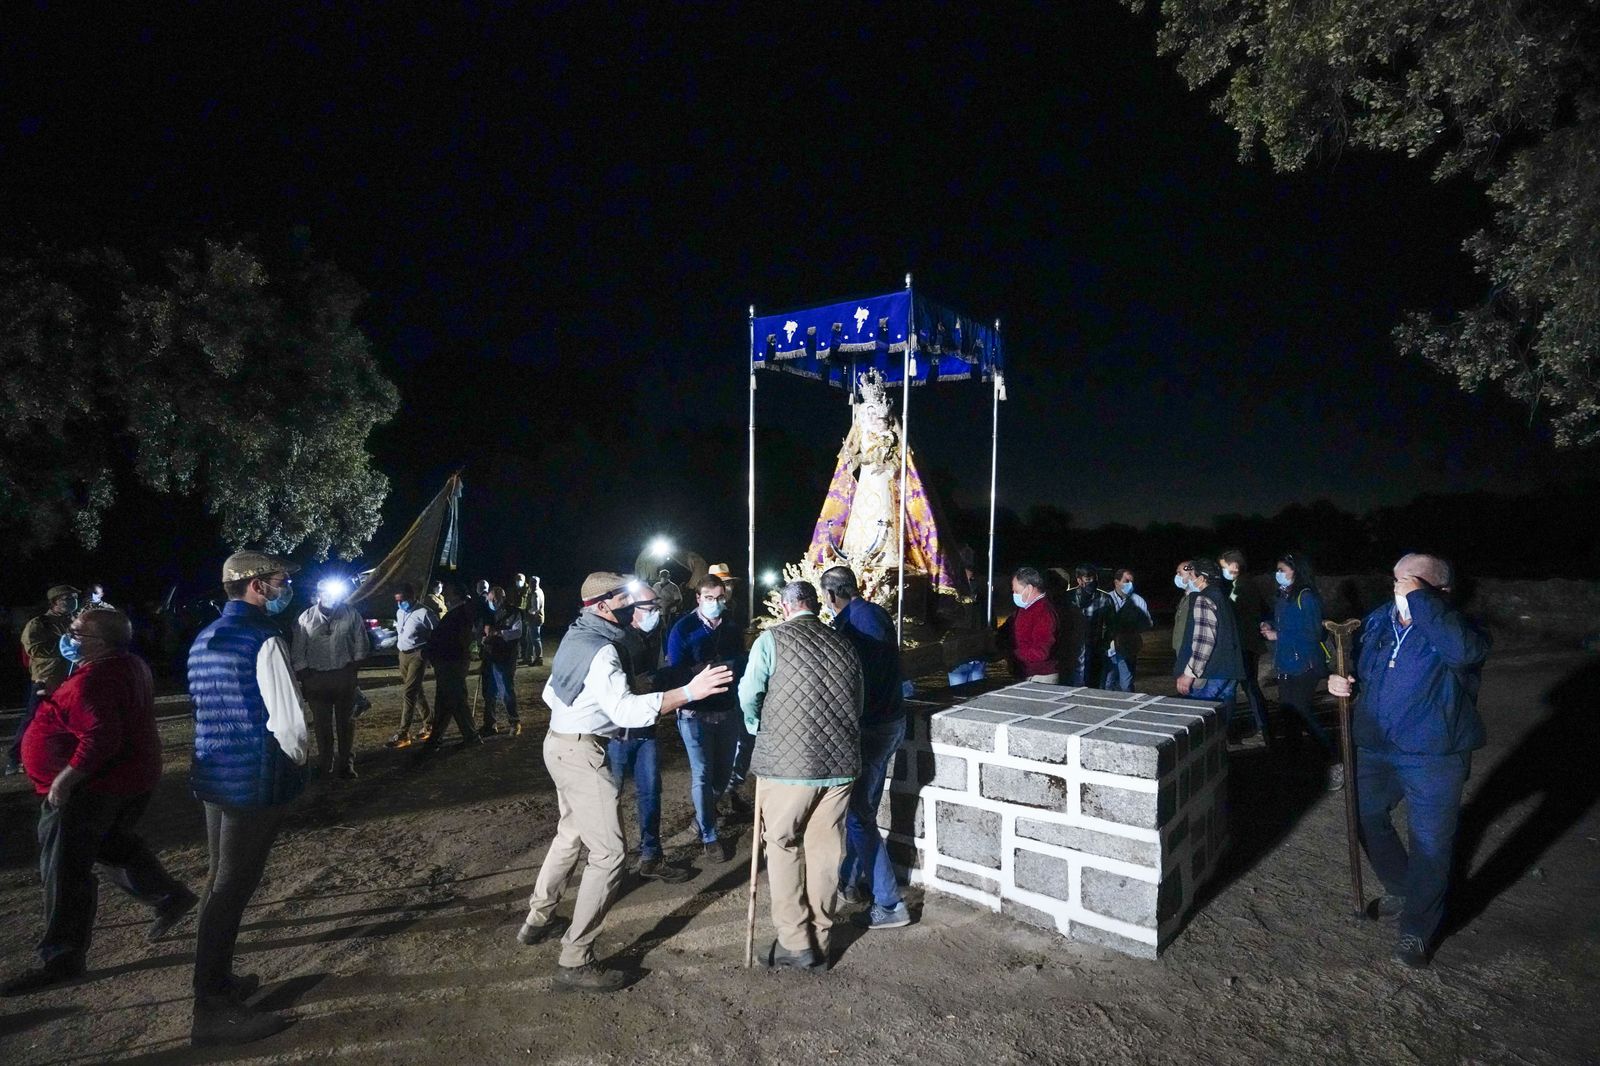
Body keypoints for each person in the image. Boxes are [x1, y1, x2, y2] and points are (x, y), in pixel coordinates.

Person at [518, 572, 732, 991]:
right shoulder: (603, 650)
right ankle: (575, 957)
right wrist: (690, 692)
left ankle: (538, 919)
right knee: (610, 854)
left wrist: (593, 708)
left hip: (559, 743)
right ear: (602, 605)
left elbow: (551, 694)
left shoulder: (577, 635)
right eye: (625, 599)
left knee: (570, 834)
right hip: (582, 754)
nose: (633, 606)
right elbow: (627, 713)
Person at [2, 607, 196, 997]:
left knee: (64, 868)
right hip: (127, 778)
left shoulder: (95, 680)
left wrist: (65, 779)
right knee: (110, 843)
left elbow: (101, 737)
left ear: (100, 642)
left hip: (93, 786)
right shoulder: (126, 665)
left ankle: (62, 957)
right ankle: (168, 895)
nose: (69, 637)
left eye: (76, 633)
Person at [1328, 553, 1490, 968]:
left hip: (1434, 754)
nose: (1399, 589)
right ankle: (1402, 886)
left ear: (1441, 590)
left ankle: (1418, 928)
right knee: (1362, 815)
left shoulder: (1461, 627)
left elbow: (1465, 653)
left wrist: (1422, 602)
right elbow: (1356, 660)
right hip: (1376, 745)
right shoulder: (1380, 620)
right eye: (1397, 580)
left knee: (1430, 844)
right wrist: (1341, 679)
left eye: (1411, 582)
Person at [187, 551, 309, 1046]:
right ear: (257, 586)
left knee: (219, 882)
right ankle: (211, 1007)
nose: (284, 589)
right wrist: (298, 764)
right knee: (231, 889)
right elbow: (289, 722)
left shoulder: (205, 637)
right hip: (252, 780)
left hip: (214, 775)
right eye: (279, 581)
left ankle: (218, 984)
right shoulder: (263, 637)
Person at [738, 580, 862, 971]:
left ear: (785, 606)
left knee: (781, 841)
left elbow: (749, 693)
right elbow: (858, 700)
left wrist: (756, 724)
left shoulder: (771, 640)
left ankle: (795, 941)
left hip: (788, 765)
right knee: (825, 850)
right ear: (815, 604)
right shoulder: (843, 642)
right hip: (840, 762)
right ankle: (821, 941)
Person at [821, 565, 910, 930]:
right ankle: (849, 879)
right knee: (862, 810)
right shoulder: (873, 613)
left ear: (830, 595)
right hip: (889, 721)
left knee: (859, 816)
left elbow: (858, 682)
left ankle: (890, 904)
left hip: (872, 727)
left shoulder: (855, 626)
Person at [605, 586, 691, 883]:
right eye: (651, 607)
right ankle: (609, 865)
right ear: (633, 610)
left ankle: (651, 856)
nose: (657, 612)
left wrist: (662, 679)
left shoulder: (655, 634)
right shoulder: (615, 640)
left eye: (658, 606)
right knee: (608, 799)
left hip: (646, 729)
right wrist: (639, 684)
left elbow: (660, 673)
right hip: (616, 734)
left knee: (650, 793)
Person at [665, 573, 749, 860]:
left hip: (726, 710)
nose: (715, 603)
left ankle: (703, 815)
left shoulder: (732, 628)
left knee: (722, 774)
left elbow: (741, 660)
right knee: (702, 773)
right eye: (709, 598)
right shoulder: (683, 629)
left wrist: (733, 666)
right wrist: (702, 671)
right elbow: (675, 671)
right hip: (694, 713)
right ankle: (709, 835)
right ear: (698, 598)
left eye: (720, 598)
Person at [1260, 551, 1340, 788]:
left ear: (1296, 571)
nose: (1278, 574)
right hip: (1286, 663)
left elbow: (1313, 633)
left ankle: (1334, 758)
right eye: (1277, 570)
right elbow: (1287, 624)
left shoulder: (1306, 597)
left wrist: (1279, 635)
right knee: (1288, 715)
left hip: (1306, 664)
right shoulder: (1283, 596)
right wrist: (1269, 625)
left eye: (1282, 570)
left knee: (1301, 711)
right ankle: (1293, 764)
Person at [290, 577, 370, 779]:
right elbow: (298, 651)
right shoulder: (306, 618)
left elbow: (361, 643)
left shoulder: (351, 614)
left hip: (344, 676)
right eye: (326, 592)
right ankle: (325, 764)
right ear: (318, 594)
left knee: (346, 724)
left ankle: (346, 765)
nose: (331, 596)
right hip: (316, 679)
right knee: (321, 725)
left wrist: (353, 669)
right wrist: (306, 677)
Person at [6, 584, 79, 776]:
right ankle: (14, 758)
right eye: (67, 598)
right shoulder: (39, 624)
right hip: (47, 679)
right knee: (33, 718)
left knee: (71, 719)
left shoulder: (75, 620)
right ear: (54, 602)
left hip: (72, 680)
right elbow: (35, 649)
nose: (73, 601)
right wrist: (66, 644)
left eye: (74, 598)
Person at [1173, 557, 1246, 712]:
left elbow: (1204, 641)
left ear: (1201, 578)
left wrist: (1189, 674)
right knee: (1223, 717)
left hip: (1212, 672)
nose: (1189, 580)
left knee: (1203, 717)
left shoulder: (1203, 599)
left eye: (1191, 576)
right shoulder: (1221, 596)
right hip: (1228, 670)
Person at [419, 582, 480, 750]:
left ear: (457, 595)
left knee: (456, 700)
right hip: (449, 661)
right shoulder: (459, 613)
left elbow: (451, 640)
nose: (446, 594)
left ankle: (471, 736)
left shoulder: (459, 614)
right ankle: (436, 737)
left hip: (451, 662)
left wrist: (431, 649)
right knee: (444, 701)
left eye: (449, 592)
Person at [1220, 550, 1272, 743]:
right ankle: (1263, 726)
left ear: (1235, 565)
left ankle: (1263, 729)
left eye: (1224, 566)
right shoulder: (1240, 584)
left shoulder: (1243, 586)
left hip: (1245, 643)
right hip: (1247, 642)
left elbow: (1237, 613)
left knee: (1248, 687)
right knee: (1249, 686)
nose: (1223, 570)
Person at [387, 584, 434, 748]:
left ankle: (403, 733)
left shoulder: (424, 612)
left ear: (412, 597)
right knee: (416, 691)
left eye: (402, 600)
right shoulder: (400, 612)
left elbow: (438, 632)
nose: (399, 604)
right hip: (403, 654)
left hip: (417, 654)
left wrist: (427, 651)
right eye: (397, 601)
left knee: (409, 692)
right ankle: (429, 725)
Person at [479, 585, 524, 736]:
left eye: (495, 600)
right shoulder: (486, 613)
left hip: (506, 656)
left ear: (503, 598)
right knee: (488, 692)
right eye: (490, 600)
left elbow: (517, 632)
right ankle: (490, 724)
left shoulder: (514, 612)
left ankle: (514, 721)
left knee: (506, 690)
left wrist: (498, 633)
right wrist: (482, 639)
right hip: (489, 655)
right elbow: (479, 631)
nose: (493, 602)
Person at [1005, 566, 1060, 683]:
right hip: (1026, 672)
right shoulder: (1024, 607)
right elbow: (1009, 629)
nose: (1014, 594)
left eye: (1017, 591)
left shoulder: (1044, 612)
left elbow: (1041, 652)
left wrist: (1014, 653)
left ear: (1029, 588)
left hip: (1040, 676)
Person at [1103, 568, 1153, 692]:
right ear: (1116, 582)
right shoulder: (1106, 598)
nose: (1130, 584)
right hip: (1108, 650)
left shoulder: (1138, 601)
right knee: (1108, 683)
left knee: (1126, 685)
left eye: (1132, 582)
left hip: (1127, 649)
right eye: (1126, 581)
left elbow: (1148, 623)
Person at [1066, 564, 1114, 688]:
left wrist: (1104, 644)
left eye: (1094, 578)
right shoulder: (1068, 598)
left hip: (1094, 651)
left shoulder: (1105, 598)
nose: (1092, 582)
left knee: (1093, 686)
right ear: (1079, 580)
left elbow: (1112, 626)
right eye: (1088, 579)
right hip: (1071, 652)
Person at [1171, 560, 1197, 667]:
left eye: (1180, 573)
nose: (1177, 576)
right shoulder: (1186, 597)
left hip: (1190, 648)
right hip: (1182, 646)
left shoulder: (1197, 597)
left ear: (1191, 574)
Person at [525, 575, 546, 666]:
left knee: (535, 639)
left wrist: (527, 611)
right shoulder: (540, 591)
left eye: (530, 582)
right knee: (530, 639)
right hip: (537, 618)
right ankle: (529, 658)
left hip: (534, 619)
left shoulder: (535, 593)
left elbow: (535, 608)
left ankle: (538, 658)